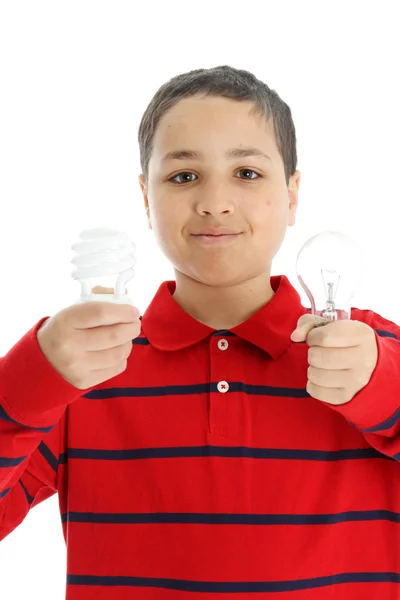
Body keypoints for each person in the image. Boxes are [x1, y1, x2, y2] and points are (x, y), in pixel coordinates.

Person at [1, 65, 400, 599]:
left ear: (292, 194)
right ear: (146, 198)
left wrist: (381, 384)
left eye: (248, 173)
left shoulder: (368, 351)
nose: (215, 202)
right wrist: (33, 378)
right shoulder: (82, 367)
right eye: (184, 176)